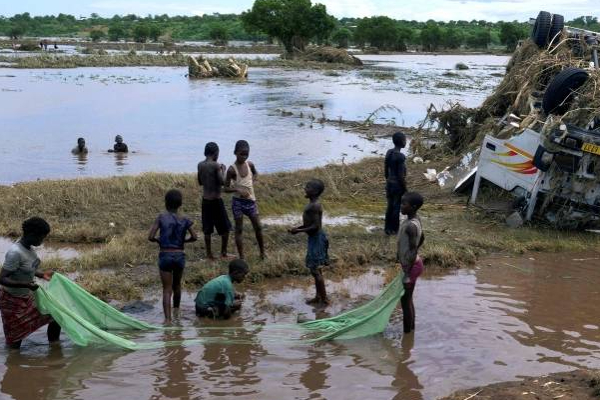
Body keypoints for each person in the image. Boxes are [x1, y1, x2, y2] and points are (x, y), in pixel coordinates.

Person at [0, 217, 61, 349]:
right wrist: (26, 285)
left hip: (26, 297)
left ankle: (55, 347)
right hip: (12, 302)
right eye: (41, 237)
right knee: (15, 342)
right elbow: (3, 278)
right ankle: (14, 365)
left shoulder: (29, 248)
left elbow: (27, 269)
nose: (42, 241)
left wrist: (41, 274)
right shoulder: (15, 253)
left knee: (55, 315)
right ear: (32, 234)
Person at [148, 189, 197, 323]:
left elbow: (150, 237)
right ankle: (176, 312)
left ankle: (168, 321)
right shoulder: (185, 219)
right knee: (177, 286)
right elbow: (194, 237)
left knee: (167, 289)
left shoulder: (161, 218)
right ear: (180, 204)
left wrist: (159, 241)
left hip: (165, 255)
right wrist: (183, 242)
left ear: (166, 203)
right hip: (179, 255)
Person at [289, 179, 329, 306]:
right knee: (316, 270)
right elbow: (310, 224)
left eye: (307, 187)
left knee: (316, 270)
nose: (305, 189)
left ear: (315, 191)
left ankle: (324, 300)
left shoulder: (315, 206)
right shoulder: (311, 204)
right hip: (314, 239)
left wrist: (299, 231)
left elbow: (315, 227)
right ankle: (318, 296)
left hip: (317, 239)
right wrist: (298, 228)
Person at [225, 140, 265, 260]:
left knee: (258, 227)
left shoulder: (250, 164)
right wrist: (237, 190)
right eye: (241, 154)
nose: (244, 156)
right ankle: (242, 257)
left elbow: (255, 173)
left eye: (246, 154)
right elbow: (225, 188)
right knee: (239, 229)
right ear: (235, 153)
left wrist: (252, 182)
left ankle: (263, 253)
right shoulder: (231, 170)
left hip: (251, 201)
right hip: (238, 203)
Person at [198, 142, 232, 260]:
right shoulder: (216, 165)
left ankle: (209, 254)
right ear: (216, 153)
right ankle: (223, 253)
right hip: (216, 201)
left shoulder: (200, 165)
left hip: (205, 200)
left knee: (207, 230)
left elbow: (200, 182)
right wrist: (223, 169)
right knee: (226, 228)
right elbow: (222, 182)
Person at [397, 192, 425, 334]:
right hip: (412, 264)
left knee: (405, 302)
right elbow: (423, 237)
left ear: (413, 207)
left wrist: (407, 273)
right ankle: (412, 328)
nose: (400, 206)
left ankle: (407, 336)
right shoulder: (414, 220)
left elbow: (413, 249)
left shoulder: (410, 226)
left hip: (412, 267)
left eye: (403, 204)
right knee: (408, 300)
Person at [384, 131, 408, 235]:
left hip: (389, 183)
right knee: (396, 207)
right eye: (405, 140)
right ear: (402, 142)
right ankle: (394, 229)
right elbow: (401, 176)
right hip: (397, 185)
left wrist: (388, 179)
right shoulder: (400, 156)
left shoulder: (389, 152)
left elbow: (385, 169)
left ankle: (387, 228)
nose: (406, 142)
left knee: (389, 206)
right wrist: (405, 188)